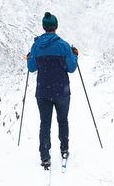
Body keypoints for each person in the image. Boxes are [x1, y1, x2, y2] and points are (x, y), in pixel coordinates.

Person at [27, 12, 78, 168]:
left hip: (43, 92)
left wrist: (29, 58)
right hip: (62, 91)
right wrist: (75, 55)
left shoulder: (36, 46)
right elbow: (71, 68)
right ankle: (64, 149)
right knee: (62, 121)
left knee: (45, 123)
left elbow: (31, 68)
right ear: (56, 27)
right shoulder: (63, 45)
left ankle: (44, 156)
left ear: (43, 27)